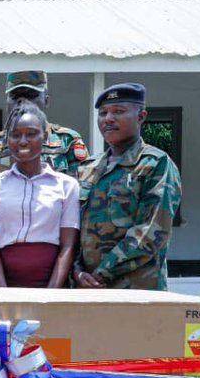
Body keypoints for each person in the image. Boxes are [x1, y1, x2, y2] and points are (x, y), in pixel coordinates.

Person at [74, 83, 182, 290]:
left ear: (141, 117)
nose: (108, 119)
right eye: (103, 113)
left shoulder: (155, 164)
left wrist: (101, 274)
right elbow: (74, 227)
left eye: (118, 112)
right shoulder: (88, 168)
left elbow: (151, 231)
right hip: (86, 288)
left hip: (136, 289)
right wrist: (77, 271)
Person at [0, 101, 80, 288]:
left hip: (52, 283)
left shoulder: (67, 186)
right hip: (2, 283)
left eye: (31, 134)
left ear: (45, 136)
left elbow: (68, 246)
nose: (23, 141)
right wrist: (3, 295)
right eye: (16, 135)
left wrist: (50, 296)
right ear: (7, 140)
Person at [0, 70, 89, 178]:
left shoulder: (67, 141)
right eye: (15, 96)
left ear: (46, 101)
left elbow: (80, 189)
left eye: (31, 95)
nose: (22, 101)